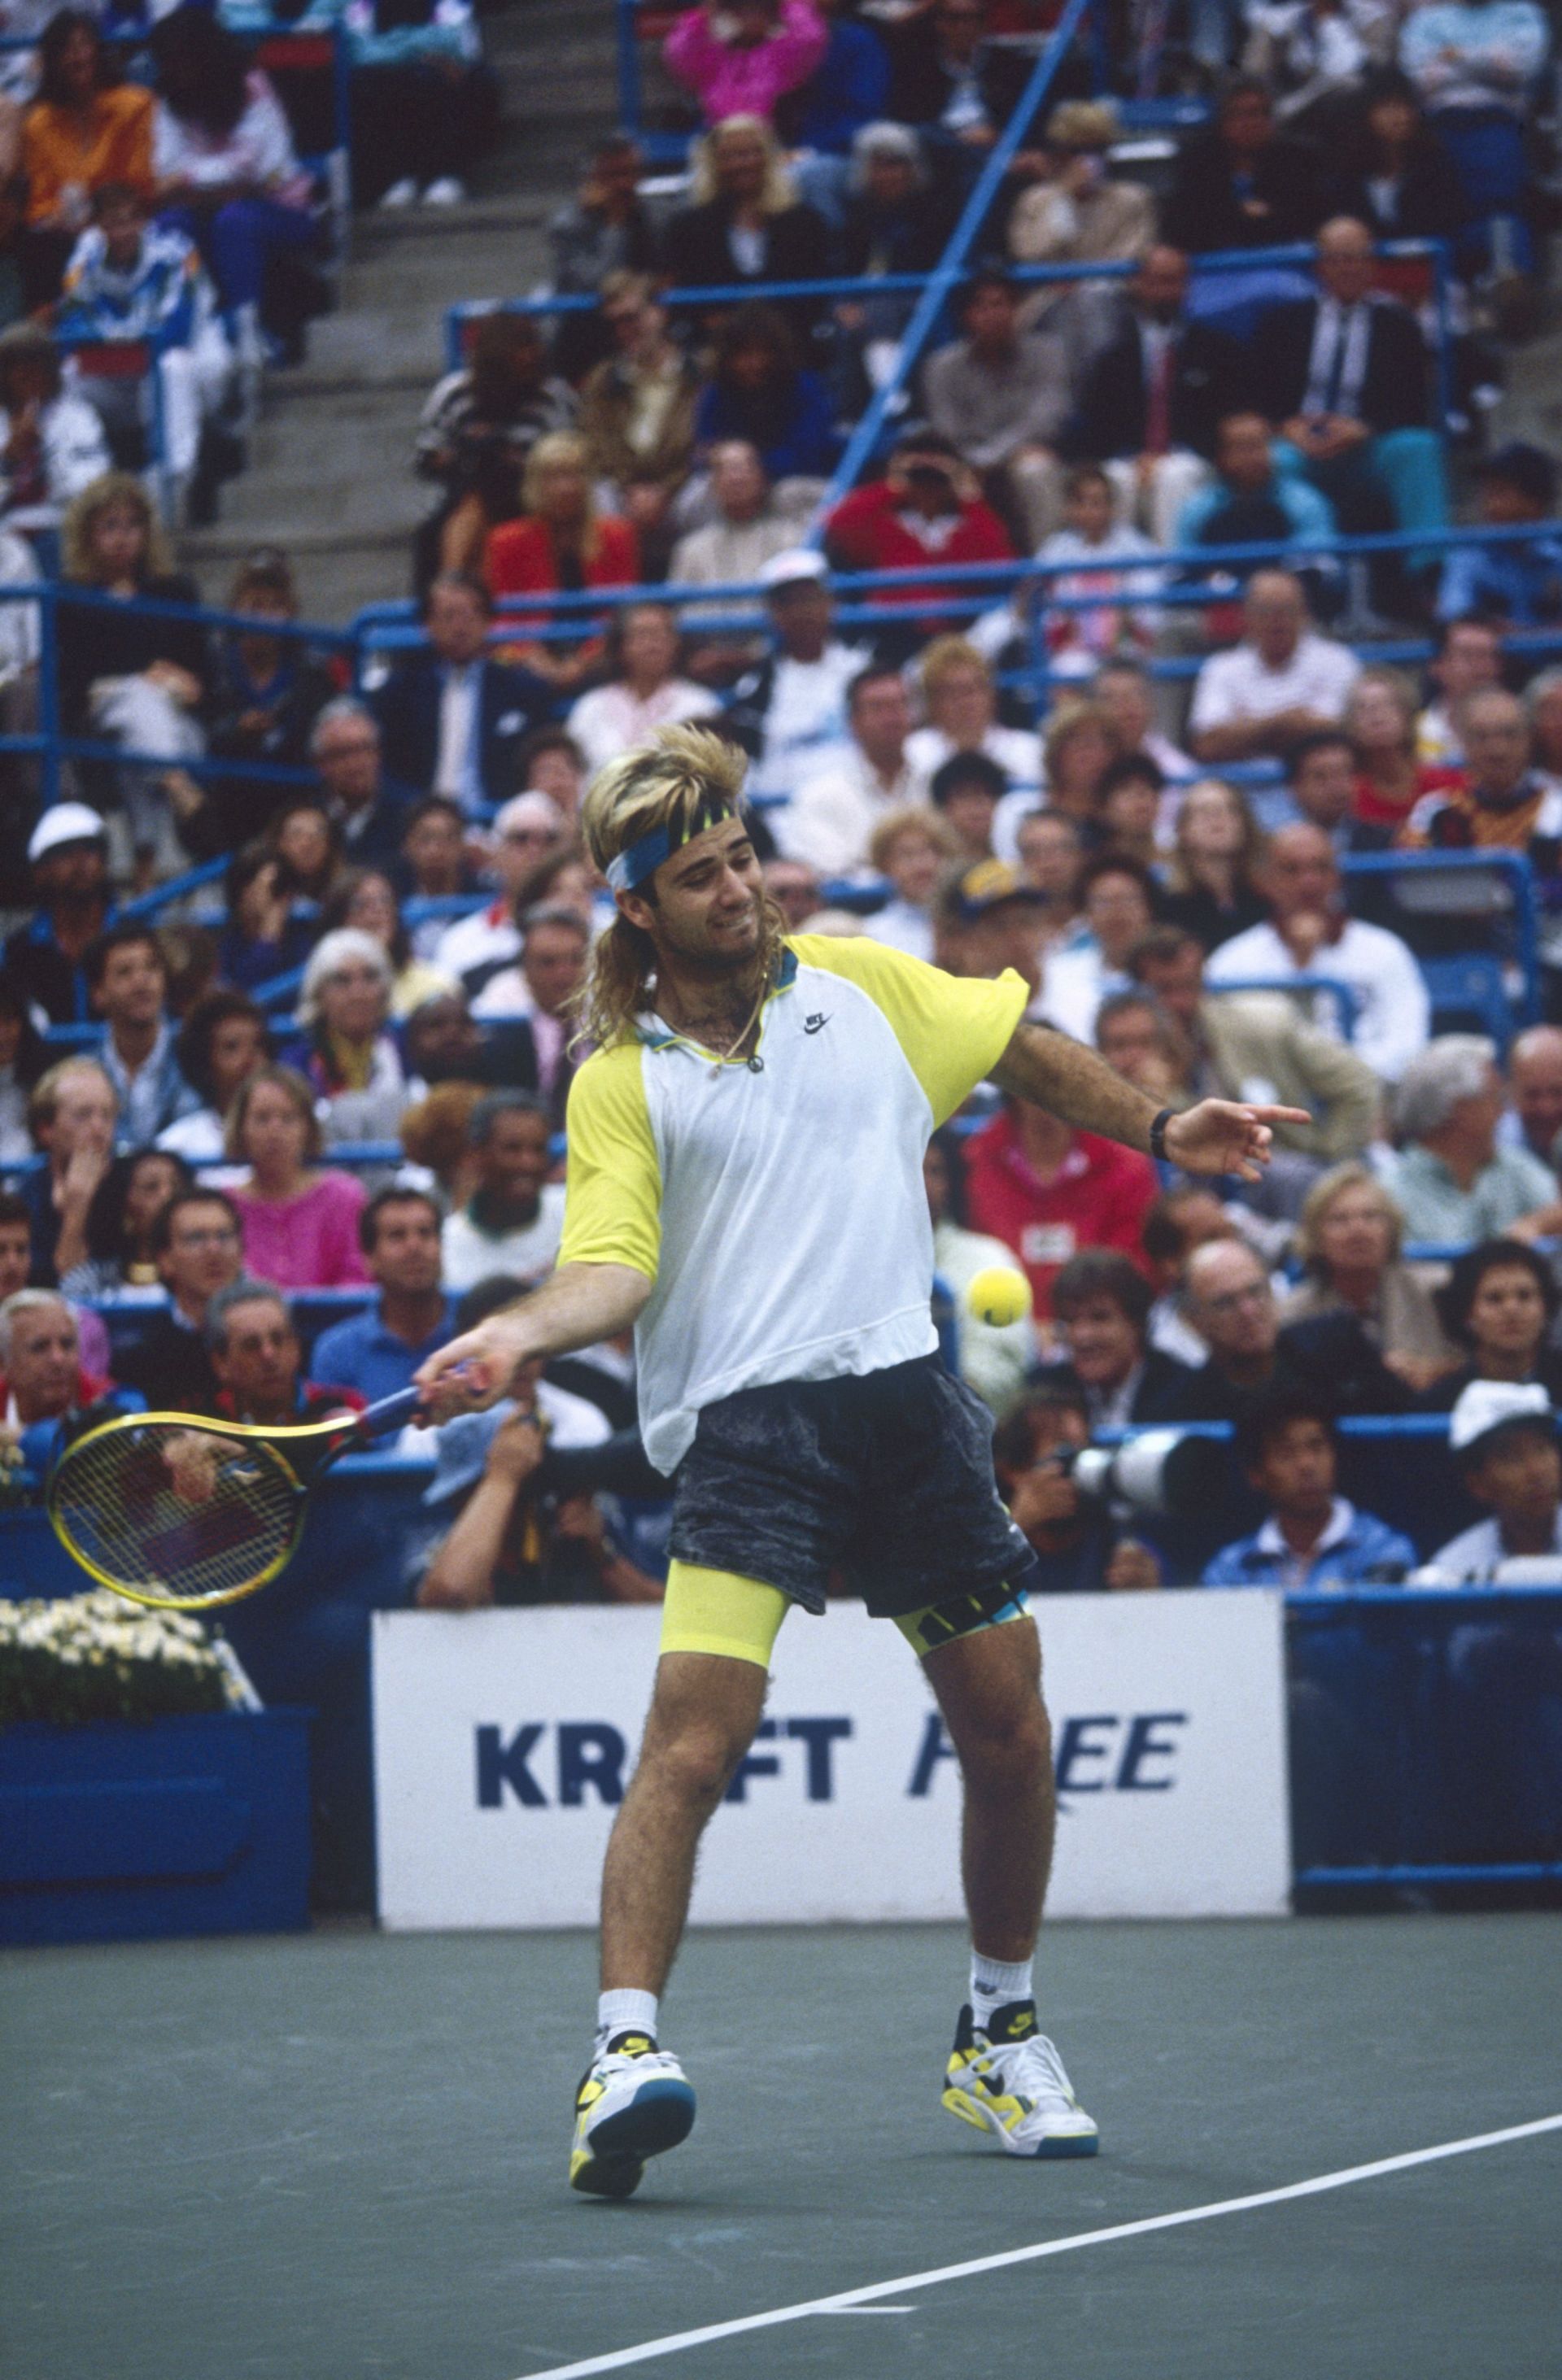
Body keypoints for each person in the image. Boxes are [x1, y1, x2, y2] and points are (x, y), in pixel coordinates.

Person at [413, 721, 1301, 2198]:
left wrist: (1164, 1125)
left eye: (743, 856)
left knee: (1011, 1728)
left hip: (906, 1406)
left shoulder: (865, 986)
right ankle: (622, 2054)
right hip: (752, 1434)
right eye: (699, 875)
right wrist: (516, 1333)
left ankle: (997, 2031)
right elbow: (612, 1270)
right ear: (636, 906)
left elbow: (1015, 1046)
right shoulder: (619, 1079)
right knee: (690, 1741)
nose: (738, 889)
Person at [1253, 216, 1448, 574]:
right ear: (1320, 266)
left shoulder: (1399, 325)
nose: (1347, 269)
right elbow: (1259, 397)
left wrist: (1365, 429)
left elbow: (1414, 405)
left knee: (1419, 448)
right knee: (1269, 461)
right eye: (1337, 259)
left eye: (1357, 258)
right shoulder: (1282, 324)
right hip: (1298, 444)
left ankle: (1429, 574)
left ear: (1373, 265)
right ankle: (1314, 575)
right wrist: (1286, 427)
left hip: (1368, 445)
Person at [149, 7, 320, 374]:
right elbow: (165, 172)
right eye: (170, 62)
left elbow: (255, 172)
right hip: (206, 208)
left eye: (185, 60)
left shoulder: (250, 86)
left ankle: (248, 334)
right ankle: (182, 328)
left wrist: (192, 180)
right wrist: (205, 182)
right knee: (168, 225)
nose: (178, 71)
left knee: (234, 221)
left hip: (280, 207)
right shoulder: (170, 99)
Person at [56, 471, 204, 882]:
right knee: (141, 700)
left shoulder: (175, 591)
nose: (123, 537)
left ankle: (144, 860)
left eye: (133, 525)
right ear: (88, 535)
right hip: (102, 708)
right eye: (110, 526)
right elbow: (70, 687)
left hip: (166, 717)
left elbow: (203, 680)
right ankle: (178, 790)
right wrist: (142, 679)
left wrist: (177, 677)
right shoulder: (72, 599)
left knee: (150, 744)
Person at [1131, 924, 1380, 1167]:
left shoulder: (1265, 1022)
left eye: (1189, 985)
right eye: (1163, 990)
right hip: (1187, 1183)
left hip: (1281, 1165)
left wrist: (1330, 1162)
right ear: (1137, 991)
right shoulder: (1124, 1048)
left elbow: (1358, 1084)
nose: (1180, 1002)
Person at [57, 180, 232, 519]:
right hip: (124, 367)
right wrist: (117, 344)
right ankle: (83, 484)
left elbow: (177, 328)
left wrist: (114, 341)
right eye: (111, 223)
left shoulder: (176, 251)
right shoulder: (85, 255)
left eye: (129, 221)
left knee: (173, 366)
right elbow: (72, 320)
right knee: (67, 376)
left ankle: (173, 485)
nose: (121, 231)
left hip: (191, 361)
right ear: (98, 225)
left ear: (143, 221)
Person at [1205, 820, 1430, 1082]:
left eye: (1321, 868)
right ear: (1266, 880)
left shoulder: (1385, 949)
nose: (1309, 882)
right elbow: (1230, 1056)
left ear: (1337, 876)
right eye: (1292, 870)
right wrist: (1301, 964)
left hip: (1369, 1093)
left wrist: (1341, 1082)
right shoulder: (1231, 962)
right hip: (1272, 1104)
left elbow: (1407, 1045)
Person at [1062, 246, 1237, 549]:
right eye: (1155, 281)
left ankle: (1171, 578)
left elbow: (1222, 419)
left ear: (1186, 286)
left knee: (1173, 477)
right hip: (1131, 457)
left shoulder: (1216, 349)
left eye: (1173, 281)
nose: (1164, 291)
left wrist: (1168, 455)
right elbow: (1100, 424)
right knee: (1115, 478)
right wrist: (1135, 457)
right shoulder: (1114, 356)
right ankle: (1119, 579)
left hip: (1189, 457)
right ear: (1139, 285)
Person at [963, 1080, 1159, 1325]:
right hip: (1003, 1326)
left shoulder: (1127, 1167)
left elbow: (1134, 1268)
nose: (1046, 1094)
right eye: (1033, 1079)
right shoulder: (973, 1160)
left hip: (1098, 1331)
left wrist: (1075, 1328)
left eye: (1056, 1079)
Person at [1164, 1236, 1409, 1423]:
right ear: (1195, 1320)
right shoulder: (1183, 1410)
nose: (1249, 1312)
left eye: (1256, 1291)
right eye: (1225, 1303)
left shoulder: (1337, 1347)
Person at [412, 312, 577, 587]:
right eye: (514, 369)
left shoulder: (552, 398)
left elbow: (571, 456)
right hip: (466, 491)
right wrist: (465, 452)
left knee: (489, 506)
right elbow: (425, 458)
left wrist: (517, 458)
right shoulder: (454, 394)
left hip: (535, 495)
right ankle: (452, 590)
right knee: (472, 504)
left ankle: (463, 595)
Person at [195, 550, 338, 852]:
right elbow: (200, 735)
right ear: (235, 609)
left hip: (294, 800)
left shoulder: (312, 670)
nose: (265, 617)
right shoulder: (213, 666)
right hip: (230, 802)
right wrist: (236, 732)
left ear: (290, 611)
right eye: (255, 605)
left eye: (276, 606)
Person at [822, 428, 1015, 648]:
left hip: (958, 632)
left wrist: (967, 495)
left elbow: (1000, 565)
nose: (927, 487)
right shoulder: (882, 517)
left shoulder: (972, 522)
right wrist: (893, 484)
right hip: (892, 634)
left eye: (937, 478)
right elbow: (837, 523)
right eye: (918, 476)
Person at [373, 574, 548, 816]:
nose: (460, 627)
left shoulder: (523, 690)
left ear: (488, 622)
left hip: (500, 822)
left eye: (470, 615)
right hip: (418, 822)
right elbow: (386, 772)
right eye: (448, 616)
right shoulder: (399, 693)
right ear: (428, 625)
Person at [922, 272, 1071, 552]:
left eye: (1000, 304)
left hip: (1024, 456)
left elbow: (1047, 418)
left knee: (1035, 470)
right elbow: (947, 432)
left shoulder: (1049, 353)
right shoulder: (942, 367)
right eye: (981, 306)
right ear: (967, 315)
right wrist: (980, 461)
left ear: (1017, 309)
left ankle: (1046, 572)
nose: (991, 314)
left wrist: (993, 457)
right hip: (966, 463)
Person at [485, 431, 639, 697]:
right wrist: (535, 658)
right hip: (532, 657)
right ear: (535, 484)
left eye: (574, 475)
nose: (566, 487)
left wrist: (582, 662)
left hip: (599, 654)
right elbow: (503, 618)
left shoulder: (618, 536)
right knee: (510, 673)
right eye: (554, 477)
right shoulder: (506, 541)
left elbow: (622, 613)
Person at [1204, 1394, 1416, 1587]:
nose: (1306, 1465)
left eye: (1317, 1448)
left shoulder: (1383, 1549)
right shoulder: (1230, 1569)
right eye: (1286, 1453)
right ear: (1256, 1475)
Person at [1279, 1161, 1455, 1388]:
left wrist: (1434, 1374)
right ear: (1315, 1236)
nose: (1358, 1230)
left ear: (1392, 1228)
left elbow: (1480, 1365)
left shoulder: (1438, 1289)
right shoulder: (1293, 1315)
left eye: (1371, 1216)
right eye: (1340, 1220)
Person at [19, 10, 153, 307]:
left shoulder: (135, 104)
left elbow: (140, 180)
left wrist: (102, 217)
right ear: (52, 62)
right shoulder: (39, 121)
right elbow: (41, 200)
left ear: (98, 50)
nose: (77, 57)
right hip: (66, 226)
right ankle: (46, 334)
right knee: (38, 243)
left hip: (124, 217)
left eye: (84, 45)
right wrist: (58, 216)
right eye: (66, 49)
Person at [991, 1380, 1163, 1593]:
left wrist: (1150, 1590)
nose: (1078, 1470)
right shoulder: (986, 1547)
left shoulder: (1117, 1542)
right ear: (1015, 1472)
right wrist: (1016, 1527)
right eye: (1066, 1452)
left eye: (1084, 1450)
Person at [1380, 1038, 1560, 1242]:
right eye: (1495, 1098)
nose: (1502, 1112)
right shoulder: (1390, 1193)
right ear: (1459, 1109)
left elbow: (1555, 1205)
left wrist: (1538, 1224)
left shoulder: (1513, 1168)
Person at [578, 274, 701, 569]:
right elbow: (597, 446)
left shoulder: (700, 372)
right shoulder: (603, 381)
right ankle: (611, 604)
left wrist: (666, 490)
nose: (625, 331)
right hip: (624, 493)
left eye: (632, 318)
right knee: (596, 496)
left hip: (682, 488)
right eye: (615, 323)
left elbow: (703, 443)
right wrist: (630, 490)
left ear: (660, 313)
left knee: (708, 492)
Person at [724, 548, 866, 806]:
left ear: (830, 603)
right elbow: (748, 768)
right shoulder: (755, 688)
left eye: (810, 599)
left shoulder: (862, 672)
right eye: (789, 603)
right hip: (786, 818)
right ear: (774, 614)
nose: (802, 611)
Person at [659, 115, 831, 325]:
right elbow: (682, 296)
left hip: (791, 340)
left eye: (751, 153)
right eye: (730, 156)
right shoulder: (687, 228)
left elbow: (816, 292)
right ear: (714, 163)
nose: (742, 163)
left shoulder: (805, 222)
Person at [1188, 569, 1361, 770]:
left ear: (1305, 614)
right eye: (1265, 610)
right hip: (1241, 794)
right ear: (1246, 616)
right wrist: (1290, 721)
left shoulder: (1337, 660)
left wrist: (1245, 729)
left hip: (1320, 792)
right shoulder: (1220, 667)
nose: (1276, 619)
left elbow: (1340, 735)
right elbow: (1207, 745)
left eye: (1286, 609)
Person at [226, 1063, 370, 1290]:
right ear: (241, 1129)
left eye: (288, 1118)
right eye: (262, 1119)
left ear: (308, 1129)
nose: (275, 1131)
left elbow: (357, 1277)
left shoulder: (344, 1197)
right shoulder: (224, 1206)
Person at [923, 1126, 1032, 1417]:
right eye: (909, 1167)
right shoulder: (851, 1263)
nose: (922, 1183)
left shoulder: (988, 1259)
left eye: (934, 1170)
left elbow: (999, 1371)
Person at [311, 1188, 456, 1403]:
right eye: (397, 1235)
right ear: (368, 1260)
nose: (414, 1247)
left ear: (441, 1248)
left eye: (425, 1233)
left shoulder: (475, 1331)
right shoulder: (337, 1352)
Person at [1006, 100, 1155, 307]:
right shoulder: (1034, 200)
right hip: (1050, 302)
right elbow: (1031, 255)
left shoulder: (1133, 198)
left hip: (1113, 301)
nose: (1087, 160)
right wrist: (1065, 200)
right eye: (1076, 151)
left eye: (1096, 150)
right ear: (1059, 155)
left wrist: (1084, 285)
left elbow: (1132, 258)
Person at [779, 662, 921, 877]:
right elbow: (831, 874)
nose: (892, 717)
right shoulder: (819, 796)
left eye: (899, 705)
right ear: (854, 722)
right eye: (878, 707)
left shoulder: (938, 781)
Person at [111, 1183, 245, 1410]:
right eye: (196, 1238)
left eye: (224, 1236)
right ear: (165, 1260)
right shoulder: (139, 1361)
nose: (214, 1249)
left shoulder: (271, 1343)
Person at [1159, 73, 1324, 254]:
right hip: (1213, 264)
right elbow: (1190, 225)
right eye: (1241, 115)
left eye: (1261, 113)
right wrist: (1246, 214)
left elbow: (1304, 220)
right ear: (1223, 119)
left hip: (1283, 262)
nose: (1252, 123)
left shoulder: (1298, 158)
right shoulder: (1197, 161)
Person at [547, 134, 661, 385]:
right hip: (584, 336)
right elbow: (596, 283)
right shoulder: (568, 224)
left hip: (643, 330)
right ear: (591, 179)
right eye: (614, 175)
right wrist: (614, 223)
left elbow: (662, 274)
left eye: (631, 173)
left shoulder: (651, 216)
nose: (624, 184)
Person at [691, 302, 837, 493]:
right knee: (696, 494)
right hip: (732, 483)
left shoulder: (804, 387)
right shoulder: (716, 393)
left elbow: (808, 453)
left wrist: (754, 465)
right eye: (742, 355)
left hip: (793, 481)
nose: (753, 364)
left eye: (761, 353)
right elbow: (705, 452)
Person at [282, 927, 409, 1147]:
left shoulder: (408, 1052)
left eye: (370, 977)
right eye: (342, 980)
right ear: (318, 993)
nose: (358, 993)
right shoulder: (294, 1065)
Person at [1176, 413, 1339, 582]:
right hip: (1217, 602)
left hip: (1286, 600)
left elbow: (1318, 568)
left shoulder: (1305, 502)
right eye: (1241, 448)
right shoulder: (1198, 508)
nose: (1251, 457)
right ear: (1222, 456)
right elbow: (1183, 571)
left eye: (1259, 446)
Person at [1032, 466, 1163, 676]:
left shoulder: (1133, 546)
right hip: (1073, 647)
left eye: (1097, 502)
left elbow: (1153, 595)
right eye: (1080, 502)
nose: (1089, 510)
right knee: (1063, 670)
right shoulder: (1055, 549)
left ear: (1112, 507)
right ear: (1068, 508)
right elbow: (1037, 593)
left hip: (1124, 643)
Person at [465, 904, 589, 1119]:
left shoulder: (615, 1024)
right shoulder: (498, 1030)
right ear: (524, 967)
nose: (564, 974)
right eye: (548, 962)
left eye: (576, 960)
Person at [567, 605, 721, 779]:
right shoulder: (591, 706)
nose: (651, 646)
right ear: (620, 645)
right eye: (642, 635)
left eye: (660, 635)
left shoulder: (700, 704)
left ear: (676, 644)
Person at [430, 790, 561, 992]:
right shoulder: (460, 942)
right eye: (521, 838)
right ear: (497, 854)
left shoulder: (605, 930)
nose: (535, 850)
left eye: (549, 839)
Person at [1049, 1249, 1194, 1428]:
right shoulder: (1047, 1393)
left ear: (1136, 1324)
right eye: (1070, 1320)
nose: (1082, 1336)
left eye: (1099, 1318)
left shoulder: (1185, 1393)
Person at [0, 1286, 138, 1474]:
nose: (58, 1359)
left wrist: (23, 1439)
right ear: (4, 1362)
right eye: (40, 1347)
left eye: (67, 1344)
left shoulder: (115, 1400)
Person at [85, 922, 199, 1147]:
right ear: (98, 994)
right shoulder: (85, 1074)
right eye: (124, 972)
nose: (141, 981)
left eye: (152, 967)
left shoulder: (198, 1059)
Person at [439, 1089, 565, 1292]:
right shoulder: (448, 1243)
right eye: (512, 1149)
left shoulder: (574, 1213)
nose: (528, 1163)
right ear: (477, 1154)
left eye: (538, 1149)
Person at [2, 800, 110, 1026]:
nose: (81, 862)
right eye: (65, 853)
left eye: (90, 849)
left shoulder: (135, 936)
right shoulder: (18, 952)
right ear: (41, 871)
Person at [1421, 1237, 1562, 1410]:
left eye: (1525, 1296)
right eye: (1494, 1299)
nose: (1512, 1310)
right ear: (1467, 1314)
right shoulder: (1439, 1403)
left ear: (1545, 1307)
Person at [202, 1279, 362, 1427]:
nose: (268, 1355)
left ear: (296, 1346)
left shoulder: (344, 1412)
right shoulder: (202, 1425)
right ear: (221, 1363)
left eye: (279, 1340)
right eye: (251, 1346)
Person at [1435, 443, 1562, 627]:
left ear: (1535, 502)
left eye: (1499, 493)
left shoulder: (1557, 557)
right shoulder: (1469, 558)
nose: (1489, 506)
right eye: (1486, 494)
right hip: (1494, 654)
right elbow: (1454, 615)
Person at [903, 635, 1041, 802]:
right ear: (932, 703)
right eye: (951, 692)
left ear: (991, 694)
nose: (964, 702)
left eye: (972, 690)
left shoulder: (1029, 751)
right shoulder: (912, 754)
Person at [1037, 852, 1157, 1044]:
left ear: (1148, 909)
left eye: (1128, 899)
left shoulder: (1172, 975)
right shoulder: (1057, 973)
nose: (1117, 912)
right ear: (1086, 914)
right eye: (1104, 902)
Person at [20, 1054, 117, 1285]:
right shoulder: (26, 1196)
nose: (98, 1128)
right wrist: (77, 1208)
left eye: (107, 1115)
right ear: (46, 1129)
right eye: (83, 1115)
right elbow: (64, 1286)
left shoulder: (135, 1182)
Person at [662, 0, 827, 130]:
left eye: (760, 10)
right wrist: (708, 11)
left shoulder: (779, 58)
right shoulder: (712, 60)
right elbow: (679, 49)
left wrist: (786, 4)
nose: (751, 16)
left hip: (771, 143)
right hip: (718, 142)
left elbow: (811, 37)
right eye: (740, 10)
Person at [58, 1144, 190, 1300]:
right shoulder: (95, 1279)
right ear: (125, 1205)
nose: (168, 1196)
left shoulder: (202, 1274)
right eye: (151, 1187)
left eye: (176, 1186)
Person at [321, 870, 453, 1022]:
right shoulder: (322, 983)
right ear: (338, 917)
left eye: (384, 900)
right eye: (359, 904)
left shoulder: (435, 983)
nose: (376, 911)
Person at [1346, 668, 1464, 836]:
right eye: (1363, 708)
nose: (1376, 715)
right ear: (1350, 725)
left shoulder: (1451, 786)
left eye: (1387, 704)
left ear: (1408, 715)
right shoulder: (1347, 797)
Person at [1156, 777, 1267, 952]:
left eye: (1230, 809)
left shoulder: (1268, 900)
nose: (1218, 817)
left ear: (1245, 825)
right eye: (1204, 811)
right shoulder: (1167, 908)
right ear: (1183, 830)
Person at [862, 806, 958, 961]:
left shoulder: (971, 927)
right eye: (907, 855)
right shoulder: (871, 934)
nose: (921, 866)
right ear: (885, 865)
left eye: (930, 852)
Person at [1418, 613, 1503, 767]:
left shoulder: (1523, 730)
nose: (1481, 667)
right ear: (1438, 666)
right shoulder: (1414, 734)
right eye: (1469, 655)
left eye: (1488, 655)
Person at [1505, 1023, 1562, 1166]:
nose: (1546, 1108)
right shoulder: (1495, 1151)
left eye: (1558, 1092)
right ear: (1511, 1093)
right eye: (1532, 1095)